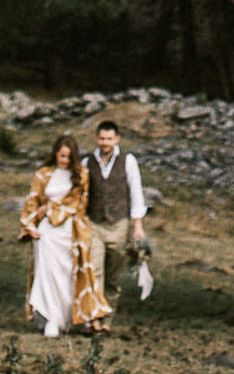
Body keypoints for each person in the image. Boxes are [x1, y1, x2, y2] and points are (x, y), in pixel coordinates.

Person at [18, 134, 112, 336]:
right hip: (47, 234)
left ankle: (70, 319)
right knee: (47, 274)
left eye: (69, 157)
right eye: (61, 156)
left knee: (69, 275)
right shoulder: (43, 174)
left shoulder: (81, 174)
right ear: (55, 154)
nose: (64, 161)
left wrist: (51, 207)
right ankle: (51, 318)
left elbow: (78, 203)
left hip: (70, 230)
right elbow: (32, 201)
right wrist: (30, 225)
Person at [84, 118, 149, 320]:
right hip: (94, 223)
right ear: (97, 139)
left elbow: (136, 192)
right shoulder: (87, 162)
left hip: (119, 224)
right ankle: (93, 317)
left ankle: (107, 319)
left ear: (117, 139)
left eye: (109, 139)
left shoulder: (127, 161)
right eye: (102, 139)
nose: (105, 143)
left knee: (113, 275)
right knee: (94, 272)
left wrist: (138, 226)